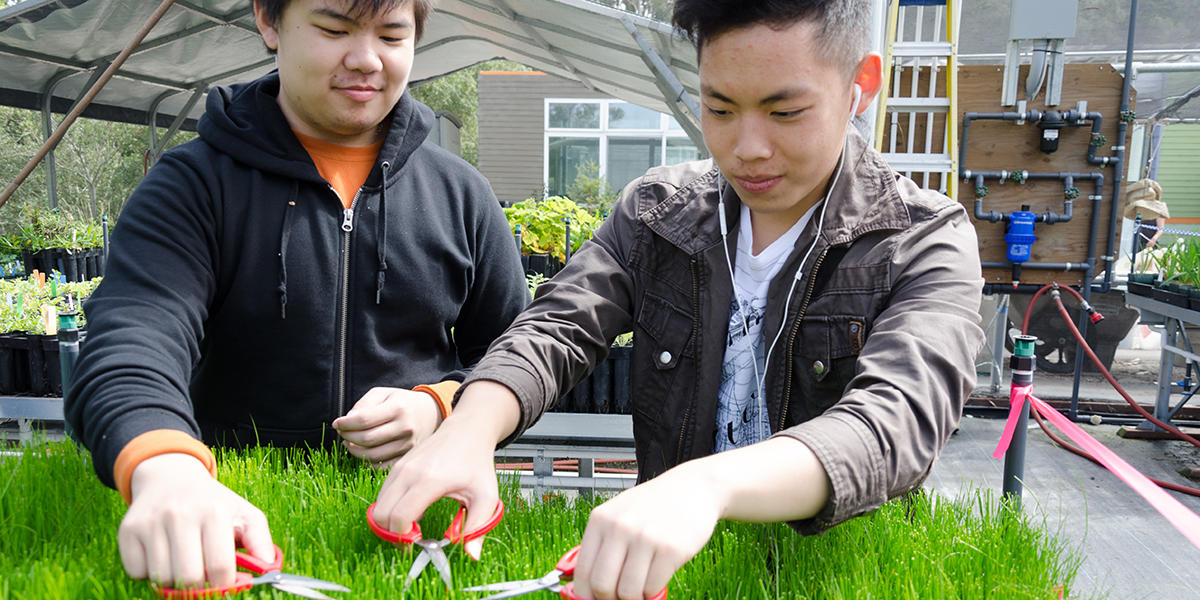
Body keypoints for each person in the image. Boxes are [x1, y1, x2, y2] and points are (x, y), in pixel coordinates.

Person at [371, 0, 986, 598]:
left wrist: (705, 486)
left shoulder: (923, 240)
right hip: (667, 579)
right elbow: (558, 326)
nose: (747, 147)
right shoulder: (659, 213)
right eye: (718, 108)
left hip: (838, 578)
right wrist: (468, 429)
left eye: (786, 112)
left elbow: (895, 422)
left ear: (861, 84)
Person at [64, 0, 527, 590]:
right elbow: (132, 337)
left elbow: (515, 357)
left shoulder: (462, 195)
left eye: (392, 34)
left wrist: (442, 407)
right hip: (232, 520)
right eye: (334, 29)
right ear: (268, 21)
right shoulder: (193, 185)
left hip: (415, 522)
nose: (366, 60)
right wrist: (165, 466)